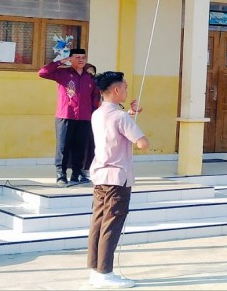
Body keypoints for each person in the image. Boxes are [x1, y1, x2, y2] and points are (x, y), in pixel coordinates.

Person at [88, 71, 149, 289]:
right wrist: (131, 119)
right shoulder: (120, 117)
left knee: (98, 222)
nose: (126, 90)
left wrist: (131, 113)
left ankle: (95, 269)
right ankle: (105, 272)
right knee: (111, 225)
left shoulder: (98, 114)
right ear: (116, 90)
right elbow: (142, 143)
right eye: (124, 87)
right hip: (117, 178)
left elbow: (115, 129)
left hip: (100, 176)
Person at [38, 48, 101, 186]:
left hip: (84, 117)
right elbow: (42, 72)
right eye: (77, 57)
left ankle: (76, 174)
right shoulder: (62, 73)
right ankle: (61, 174)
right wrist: (60, 62)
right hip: (65, 115)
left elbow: (95, 97)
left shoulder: (89, 77)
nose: (81, 60)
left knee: (80, 146)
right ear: (71, 59)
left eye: (83, 57)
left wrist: (95, 113)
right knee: (63, 146)